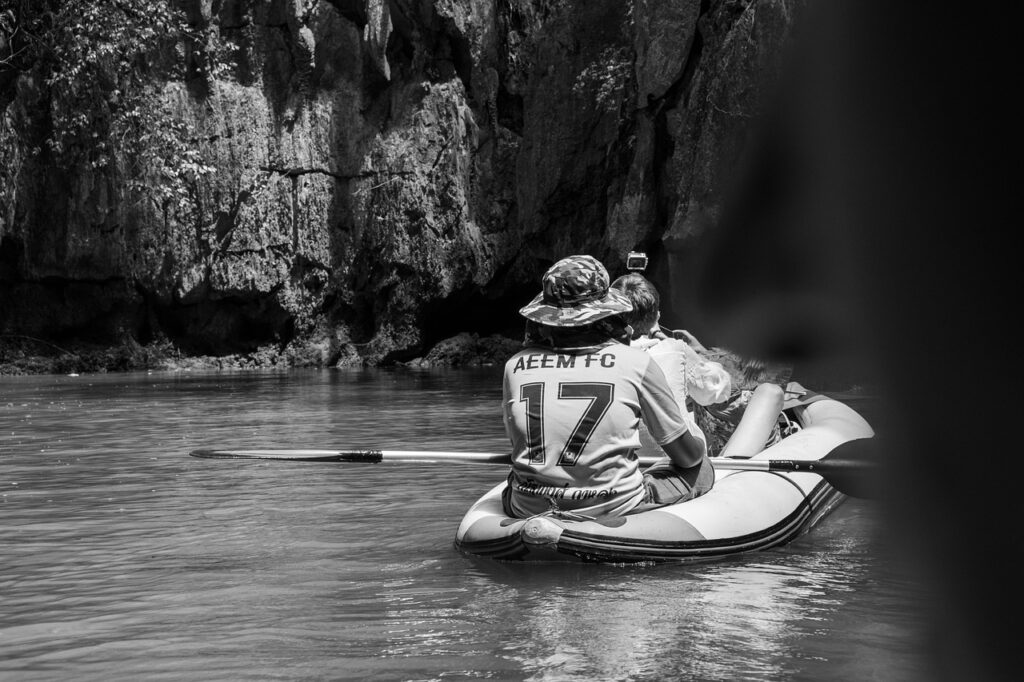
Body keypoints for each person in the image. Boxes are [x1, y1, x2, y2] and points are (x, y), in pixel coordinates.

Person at [502, 255, 713, 519]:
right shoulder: (637, 362)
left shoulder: (515, 366)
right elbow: (688, 458)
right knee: (702, 466)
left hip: (528, 507)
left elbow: (519, 442)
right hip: (614, 507)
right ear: (606, 316)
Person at [610, 272, 785, 459]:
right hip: (678, 460)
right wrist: (693, 354)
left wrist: (695, 352)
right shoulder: (676, 350)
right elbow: (719, 389)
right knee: (770, 392)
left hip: (621, 460)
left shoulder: (599, 355)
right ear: (657, 315)